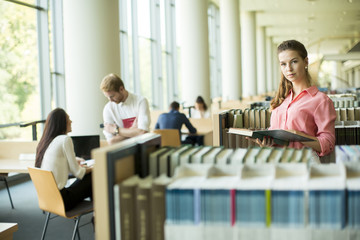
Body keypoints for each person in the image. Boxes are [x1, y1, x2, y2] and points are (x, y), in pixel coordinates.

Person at [250, 39, 336, 158]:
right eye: (283, 64)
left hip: (304, 163)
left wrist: (297, 135)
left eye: (294, 61)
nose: (288, 69)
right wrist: (267, 143)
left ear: (306, 62)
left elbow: (328, 143)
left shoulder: (320, 100)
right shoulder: (281, 99)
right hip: (277, 161)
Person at [35, 108, 93, 211]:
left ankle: (97, 214)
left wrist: (74, 161)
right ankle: (99, 215)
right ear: (62, 123)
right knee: (93, 176)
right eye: (68, 119)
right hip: (64, 200)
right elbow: (78, 173)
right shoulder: (65, 139)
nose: (71, 121)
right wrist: (94, 167)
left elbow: (58, 163)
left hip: (49, 200)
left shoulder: (47, 142)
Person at [100, 73, 151, 145]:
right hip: (121, 151)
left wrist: (115, 130)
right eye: (107, 97)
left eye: (112, 96)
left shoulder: (141, 101)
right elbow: (111, 142)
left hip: (142, 148)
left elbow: (142, 132)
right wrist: (133, 130)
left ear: (121, 89)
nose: (110, 100)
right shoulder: (108, 109)